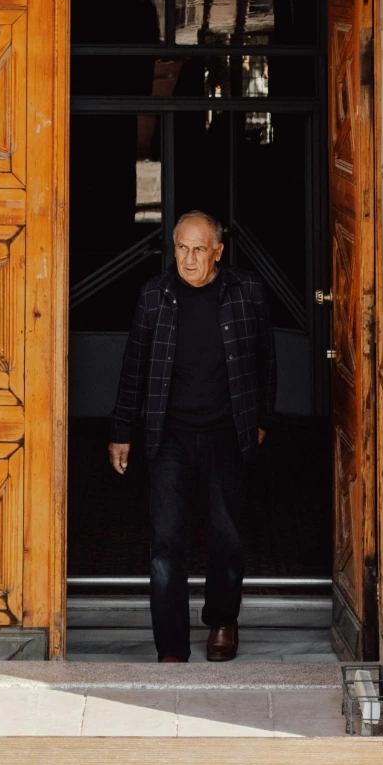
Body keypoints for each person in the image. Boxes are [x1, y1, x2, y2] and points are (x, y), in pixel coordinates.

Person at [108, 210, 276, 663]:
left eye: (199, 249)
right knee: (165, 543)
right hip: (170, 438)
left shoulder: (247, 293)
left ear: (218, 252)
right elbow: (133, 369)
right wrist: (122, 432)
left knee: (227, 537)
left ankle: (222, 621)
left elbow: (265, 361)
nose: (188, 258)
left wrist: (261, 420)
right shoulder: (153, 297)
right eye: (181, 247)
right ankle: (171, 644)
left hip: (227, 434)